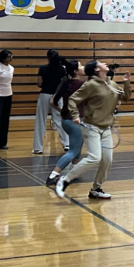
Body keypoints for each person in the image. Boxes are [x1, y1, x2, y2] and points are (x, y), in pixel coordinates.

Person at [55, 61, 131, 200]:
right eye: (101, 63)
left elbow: (126, 97)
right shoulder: (90, 85)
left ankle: (96, 189)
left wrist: (126, 83)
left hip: (106, 128)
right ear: (96, 69)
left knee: (107, 160)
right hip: (91, 127)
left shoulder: (112, 84)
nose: (105, 64)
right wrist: (75, 115)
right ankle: (65, 180)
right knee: (95, 158)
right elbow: (72, 100)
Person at [46, 59, 85, 188]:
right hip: (74, 121)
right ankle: (52, 175)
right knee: (73, 151)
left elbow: (52, 102)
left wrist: (62, 111)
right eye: (80, 65)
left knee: (78, 147)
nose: (83, 67)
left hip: (65, 121)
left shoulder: (64, 83)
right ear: (75, 71)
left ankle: (73, 172)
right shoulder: (81, 84)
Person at [34, 49, 69, 156]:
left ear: (47, 57)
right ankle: (66, 144)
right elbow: (64, 83)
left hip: (45, 95)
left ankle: (37, 148)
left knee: (40, 120)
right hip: (58, 96)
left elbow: (39, 84)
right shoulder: (62, 69)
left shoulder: (43, 68)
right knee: (60, 120)